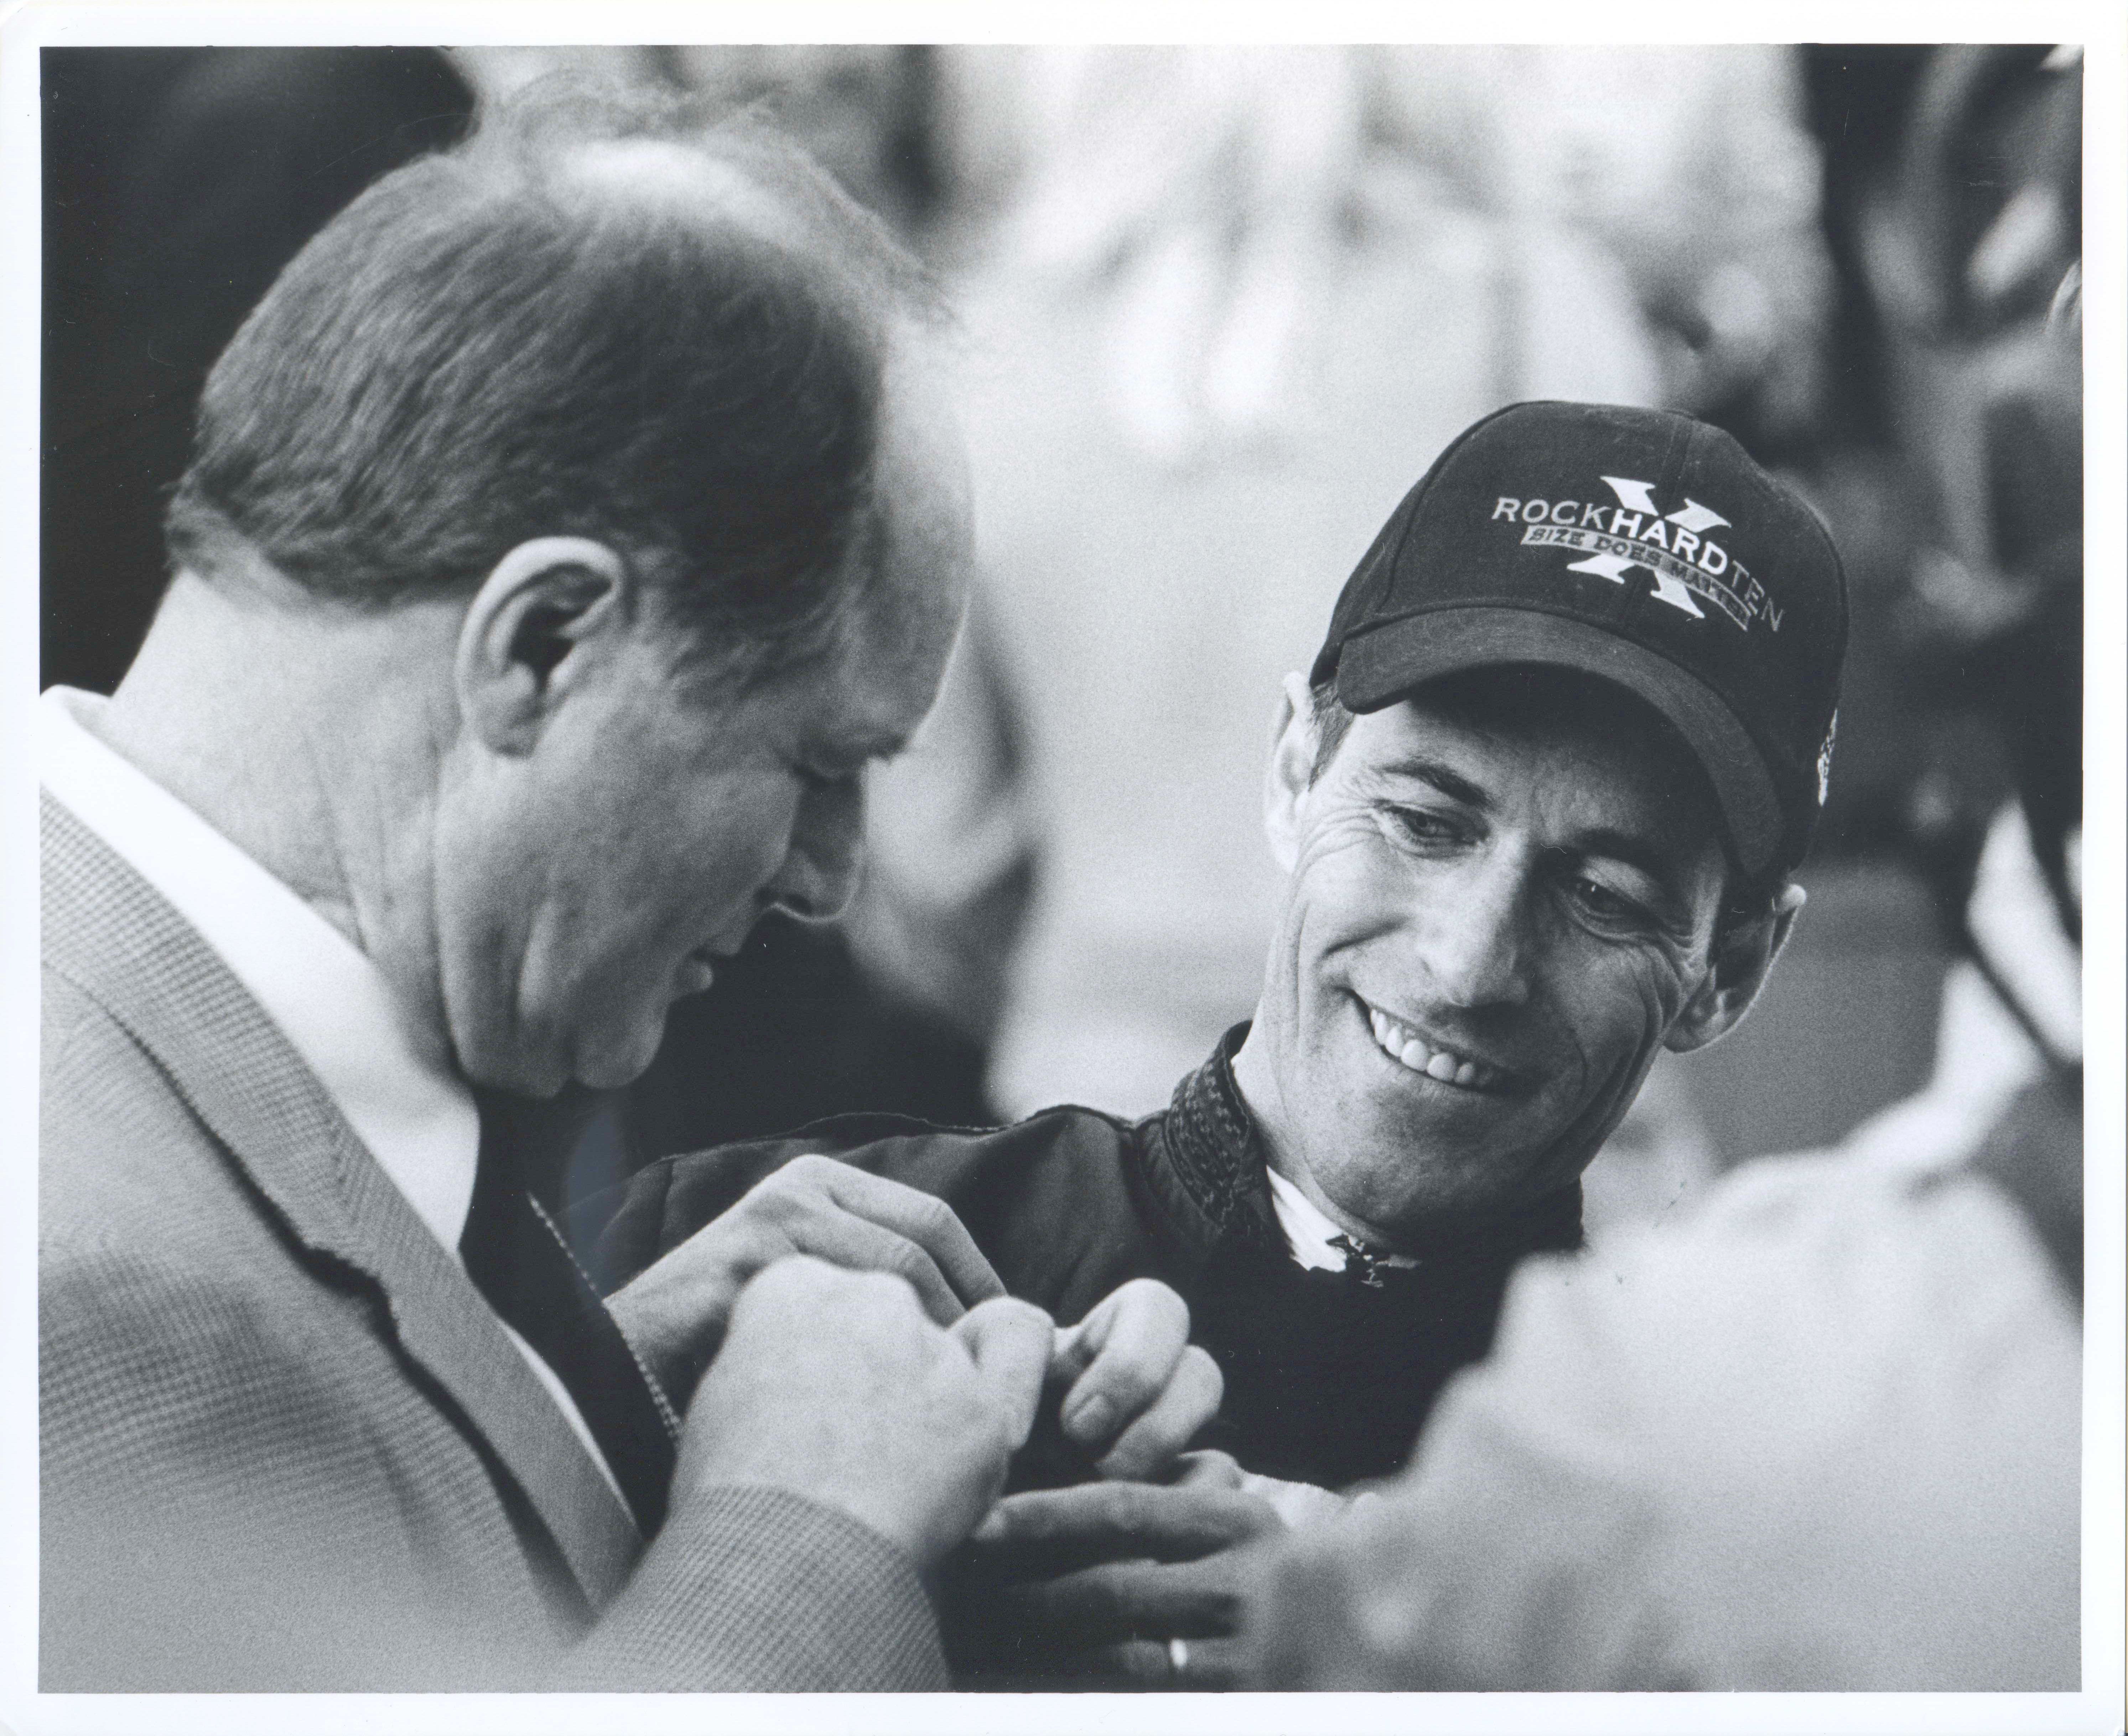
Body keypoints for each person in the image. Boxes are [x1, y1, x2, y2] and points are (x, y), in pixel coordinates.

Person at [40, 87, 1215, 1691]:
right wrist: (807, 1521)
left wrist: (592, 1397)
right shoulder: (85, 1309)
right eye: (815, 762)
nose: (832, 878)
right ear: (541, 646)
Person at [584, 397, 1851, 1680]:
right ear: (1296, 771)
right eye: (1426, 820)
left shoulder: (1705, 1516)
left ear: (1730, 968)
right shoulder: (776, 1255)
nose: (1470, 962)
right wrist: (590, 1402)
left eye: (1605, 897)